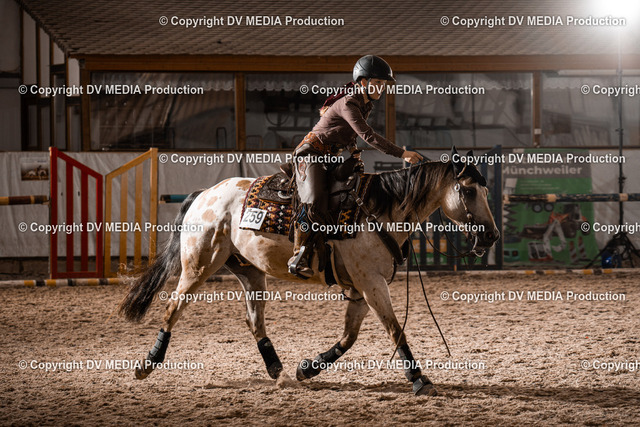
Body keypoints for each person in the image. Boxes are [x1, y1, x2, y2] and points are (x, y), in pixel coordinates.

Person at [288, 55, 423, 278]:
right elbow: (367, 135)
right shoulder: (349, 102)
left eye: (384, 84)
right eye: (378, 82)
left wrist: (354, 155)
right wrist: (402, 153)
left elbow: (349, 135)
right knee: (316, 197)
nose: (382, 88)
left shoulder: (364, 104)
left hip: (330, 157)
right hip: (310, 154)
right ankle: (298, 254)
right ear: (363, 82)